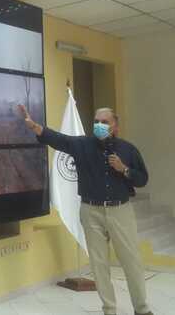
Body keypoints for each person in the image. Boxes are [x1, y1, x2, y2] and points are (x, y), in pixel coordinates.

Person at [19, 105, 153, 315]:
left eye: (105, 122)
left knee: (131, 262)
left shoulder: (128, 149)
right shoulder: (82, 145)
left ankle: (142, 309)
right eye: (96, 122)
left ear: (115, 125)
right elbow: (57, 138)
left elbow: (142, 179)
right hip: (91, 212)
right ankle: (109, 309)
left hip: (120, 211)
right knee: (99, 265)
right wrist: (34, 126)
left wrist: (124, 169)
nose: (99, 125)